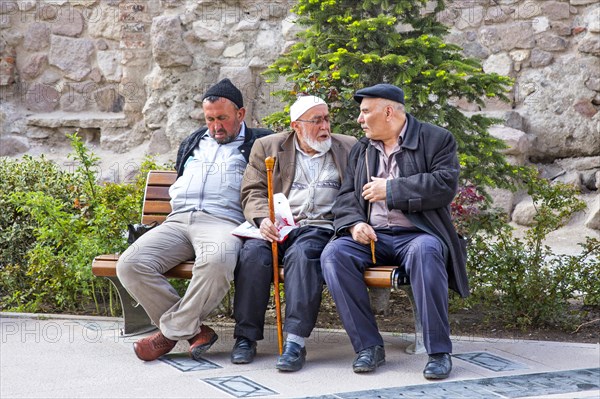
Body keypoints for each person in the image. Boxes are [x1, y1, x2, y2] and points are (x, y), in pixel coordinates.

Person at [116, 78, 272, 362]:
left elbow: (270, 187)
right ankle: (194, 331)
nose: (216, 126)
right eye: (210, 119)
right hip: (177, 221)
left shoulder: (260, 143)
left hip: (223, 222)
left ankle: (168, 334)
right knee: (130, 264)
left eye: (222, 118)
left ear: (241, 114)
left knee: (217, 261)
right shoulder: (195, 140)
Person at [320, 83, 468, 379]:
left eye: (364, 112)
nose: (359, 120)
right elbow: (348, 195)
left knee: (427, 252)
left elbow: (443, 185)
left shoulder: (436, 139)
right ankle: (368, 346)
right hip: (372, 237)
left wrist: (391, 189)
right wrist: (354, 224)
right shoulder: (362, 148)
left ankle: (438, 352)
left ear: (388, 112)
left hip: (417, 234)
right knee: (334, 255)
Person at [231, 95, 357, 372]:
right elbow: (252, 191)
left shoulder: (348, 147)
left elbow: (356, 196)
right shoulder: (268, 147)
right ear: (296, 126)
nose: (325, 126)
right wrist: (263, 219)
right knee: (252, 254)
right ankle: (245, 337)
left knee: (304, 255)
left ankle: (295, 343)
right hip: (277, 225)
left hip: (320, 227)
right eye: (316, 121)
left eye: (326, 118)